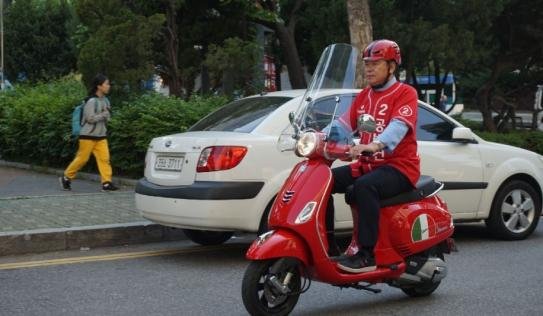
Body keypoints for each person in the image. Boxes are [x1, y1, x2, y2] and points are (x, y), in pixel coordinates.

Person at [331, 40, 420, 273]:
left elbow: (398, 126)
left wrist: (377, 144)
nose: (369, 69)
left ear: (391, 67)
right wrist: (318, 137)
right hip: (368, 165)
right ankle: (327, 244)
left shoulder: (405, 93)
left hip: (399, 168)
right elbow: (343, 126)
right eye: (367, 64)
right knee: (322, 181)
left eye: (376, 64)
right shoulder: (364, 97)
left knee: (363, 187)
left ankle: (366, 254)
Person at [59, 74, 119, 192]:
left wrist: (106, 116)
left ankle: (106, 183)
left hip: (101, 135)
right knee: (82, 159)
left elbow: (107, 117)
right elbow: (90, 118)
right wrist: (103, 115)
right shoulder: (91, 101)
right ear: (99, 86)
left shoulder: (106, 100)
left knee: (105, 159)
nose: (109, 86)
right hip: (87, 135)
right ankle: (66, 177)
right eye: (106, 84)